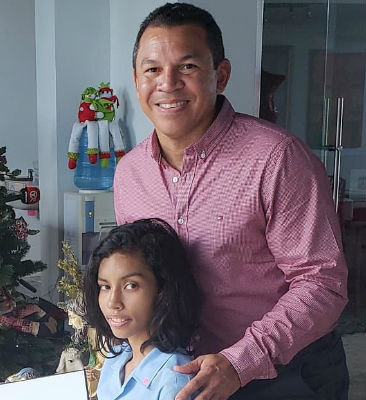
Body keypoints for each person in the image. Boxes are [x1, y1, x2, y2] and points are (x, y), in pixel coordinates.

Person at [113, 3, 349, 400]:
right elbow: (139, 278)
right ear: (137, 80)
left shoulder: (277, 158)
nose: (167, 83)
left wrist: (241, 360)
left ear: (220, 75)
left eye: (187, 67)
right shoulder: (130, 173)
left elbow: (322, 283)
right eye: (152, 69)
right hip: (185, 374)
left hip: (288, 373)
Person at [82, 218, 200, 399]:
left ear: (162, 289)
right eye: (105, 287)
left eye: (131, 286)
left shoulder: (173, 379)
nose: (113, 302)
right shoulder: (117, 357)